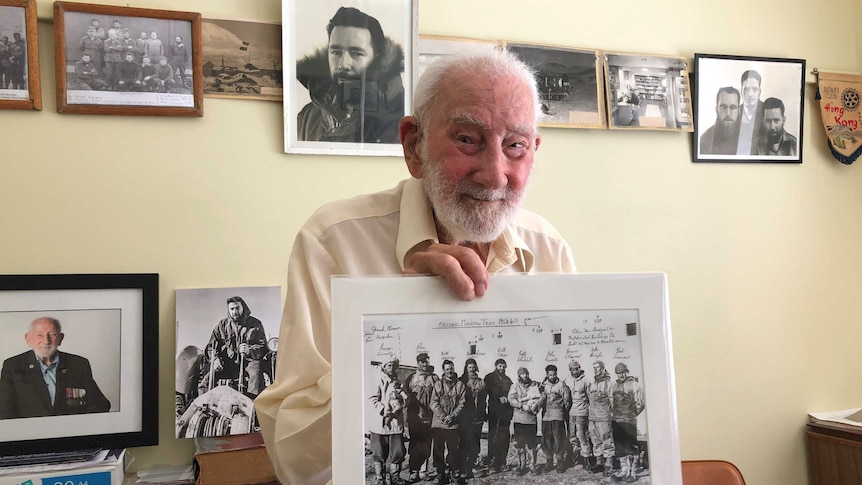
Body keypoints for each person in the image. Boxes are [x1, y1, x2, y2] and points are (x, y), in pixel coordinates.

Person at [254, 47, 577, 485]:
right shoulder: (333, 241)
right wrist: (396, 322)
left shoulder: (550, 250)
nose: (494, 174)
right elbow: (293, 460)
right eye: (467, 139)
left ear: (533, 151)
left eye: (515, 146)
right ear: (413, 145)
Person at [295, 6, 404, 143]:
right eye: (336, 52)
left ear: (377, 58)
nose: (343, 64)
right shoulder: (308, 117)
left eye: (356, 53)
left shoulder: (402, 115)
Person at [0, 317, 111, 419]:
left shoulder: (79, 364)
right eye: (39, 335)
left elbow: (99, 404)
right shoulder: (12, 366)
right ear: (28, 338)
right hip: (30, 436)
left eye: (52, 334)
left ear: (61, 338)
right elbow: (5, 410)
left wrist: (80, 427)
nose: (46, 341)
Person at [198, 296, 267, 397]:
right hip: (229, 362)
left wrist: (250, 350)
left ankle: (252, 405)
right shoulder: (222, 325)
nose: (235, 311)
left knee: (255, 377)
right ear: (229, 310)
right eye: (232, 309)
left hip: (250, 361)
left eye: (237, 308)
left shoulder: (256, 324)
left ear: (243, 307)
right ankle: (202, 407)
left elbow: (263, 347)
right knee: (206, 382)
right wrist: (216, 359)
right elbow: (211, 346)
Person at [368, 357, 408, 485]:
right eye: (388, 366)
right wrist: (383, 409)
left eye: (392, 366)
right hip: (381, 422)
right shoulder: (378, 380)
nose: (391, 368)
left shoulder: (398, 382)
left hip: (395, 422)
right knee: (379, 451)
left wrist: (401, 399)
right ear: (384, 367)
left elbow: (406, 399)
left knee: (398, 451)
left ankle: (395, 477)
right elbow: (372, 398)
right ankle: (380, 478)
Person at [404, 353, 439, 481]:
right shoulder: (411, 378)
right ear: (418, 363)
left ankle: (423, 470)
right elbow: (405, 396)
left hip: (429, 416)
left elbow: (439, 395)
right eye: (422, 362)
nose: (425, 364)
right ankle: (414, 470)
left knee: (426, 443)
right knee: (414, 443)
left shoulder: (434, 378)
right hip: (415, 416)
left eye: (426, 361)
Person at [430, 360, 466, 485]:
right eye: (447, 369)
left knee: (453, 449)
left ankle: (453, 472)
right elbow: (433, 403)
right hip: (439, 423)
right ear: (443, 371)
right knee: (438, 449)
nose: (449, 371)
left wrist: (453, 416)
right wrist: (444, 416)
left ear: (454, 369)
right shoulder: (438, 385)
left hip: (454, 424)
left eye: (451, 368)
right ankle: (440, 473)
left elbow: (462, 403)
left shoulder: (460, 385)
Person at [610, 363, 645, 483]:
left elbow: (641, 403)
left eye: (623, 372)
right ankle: (624, 470)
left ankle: (633, 472)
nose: (621, 375)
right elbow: (611, 403)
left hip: (629, 421)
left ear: (627, 371)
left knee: (631, 447)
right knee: (619, 447)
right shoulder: (614, 386)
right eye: (619, 373)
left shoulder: (634, 385)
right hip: (617, 421)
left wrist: (631, 414)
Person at [507, 367, 544, 475]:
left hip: (531, 420)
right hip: (519, 419)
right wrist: (521, 405)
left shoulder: (534, 385)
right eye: (522, 374)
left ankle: (532, 465)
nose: (525, 375)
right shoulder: (515, 386)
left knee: (531, 443)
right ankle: (521, 465)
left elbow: (542, 396)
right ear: (519, 375)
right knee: (520, 443)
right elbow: (511, 399)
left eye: (526, 373)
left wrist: (536, 406)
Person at [483, 358, 514, 473]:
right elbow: (489, 390)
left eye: (504, 366)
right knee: (493, 437)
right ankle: (492, 464)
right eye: (500, 366)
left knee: (504, 438)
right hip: (494, 412)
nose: (502, 368)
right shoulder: (489, 377)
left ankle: (502, 462)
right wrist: (499, 396)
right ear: (496, 366)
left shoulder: (508, 380)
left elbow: (512, 393)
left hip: (505, 413)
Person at [540, 364, 571, 473]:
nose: (552, 377)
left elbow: (567, 402)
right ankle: (549, 461)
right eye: (550, 374)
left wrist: (563, 411)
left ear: (556, 374)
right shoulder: (543, 385)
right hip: (546, 416)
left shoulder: (561, 385)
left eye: (554, 374)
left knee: (558, 438)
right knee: (546, 439)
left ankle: (559, 462)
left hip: (558, 416)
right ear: (547, 374)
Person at [459, 358, 486, 479]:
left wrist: (483, 412)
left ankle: (473, 464)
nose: (472, 369)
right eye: (470, 367)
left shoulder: (481, 382)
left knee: (475, 440)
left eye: (474, 366)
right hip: (465, 416)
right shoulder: (462, 381)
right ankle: (463, 466)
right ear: (466, 368)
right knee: (465, 440)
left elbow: (484, 399)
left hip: (478, 416)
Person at [562, 360, 592, 469]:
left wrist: (589, 412)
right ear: (570, 370)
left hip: (582, 413)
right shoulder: (567, 380)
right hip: (571, 413)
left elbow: (590, 397)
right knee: (572, 437)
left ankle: (586, 459)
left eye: (577, 369)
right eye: (573, 369)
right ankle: (575, 458)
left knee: (582, 436)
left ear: (580, 368)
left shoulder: (586, 380)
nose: (575, 371)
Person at [588, 360, 615, 476]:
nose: (596, 370)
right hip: (593, 417)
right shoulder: (592, 383)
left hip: (604, 417)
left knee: (606, 440)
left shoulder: (608, 383)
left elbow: (612, 400)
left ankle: (609, 464)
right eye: (594, 368)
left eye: (598, 367)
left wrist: (612, 415)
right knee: (595, 440)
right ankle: (599, 462)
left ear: (603, 369)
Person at [700, 87, 741, 155]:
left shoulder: (748, 138)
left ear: (739, 111)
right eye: (723, 107)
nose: (728, 113)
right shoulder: (705, 140)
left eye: (733, 107)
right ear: (717, 110)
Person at [736, 70, 764, 155]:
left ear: (759, 92)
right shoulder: (734, 113)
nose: (750, 94)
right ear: (741, 91)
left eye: (754, 89)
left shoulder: (767, 111)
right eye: (746, 89)